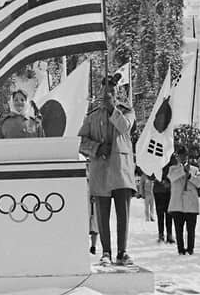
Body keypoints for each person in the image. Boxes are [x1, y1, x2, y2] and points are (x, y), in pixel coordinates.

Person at [78, 78, 137, 266]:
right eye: (105, 88)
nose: (108, 92)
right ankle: (106, 252)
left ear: (117, 91)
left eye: (112, 89)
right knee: (102, 214)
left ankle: (122, 251)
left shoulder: (127, 111)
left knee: (123, 214)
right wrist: (96, 148)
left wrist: (112, 108)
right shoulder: (92, 115)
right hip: (101, 168)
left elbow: (125, 127)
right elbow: (80, 141)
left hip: (121, 167)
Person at [167, 146, 200, 256]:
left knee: (191, 230)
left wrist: (190, 176)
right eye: (180, 155)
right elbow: (172, 177)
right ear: (177, 157)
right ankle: (180, 249)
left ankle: (190, 249)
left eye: (185, 155)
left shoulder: (195, 169)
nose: (183, 158)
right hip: (177, 204)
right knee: (179, 230)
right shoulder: (173, 169)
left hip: (191, 204)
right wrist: (183, 170)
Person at [152, 164, 174, 244]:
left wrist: (168, 181)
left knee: (169, 214)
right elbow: (150, 174)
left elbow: (173, 172)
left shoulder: (170, 158)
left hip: (168, 190)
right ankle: (161, 234)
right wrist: (159, 179)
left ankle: (169, 234)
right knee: (160, 214)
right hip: (158, 190)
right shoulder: (155, 159)